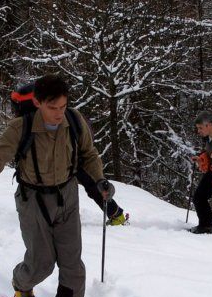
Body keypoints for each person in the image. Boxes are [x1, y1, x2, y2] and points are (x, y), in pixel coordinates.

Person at [0, 74, 113, 297]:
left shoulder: (74, 121)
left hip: (67, 195)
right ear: (37, 102)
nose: (59, 113)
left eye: (62, 106)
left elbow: (89, 155)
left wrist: (100, 180)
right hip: (32, 199)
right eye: (52, 107)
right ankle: (21, 284)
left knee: (71, 258)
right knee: (42, 262)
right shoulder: (20, 128)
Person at [11, 82, 129, 226]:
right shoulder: (37, 115)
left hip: (73, 155)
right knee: (90, 184)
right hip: (69, 154)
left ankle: (116, 214)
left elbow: (86, 148)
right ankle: (115, 213)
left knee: (92, 184)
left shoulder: (57, 116)